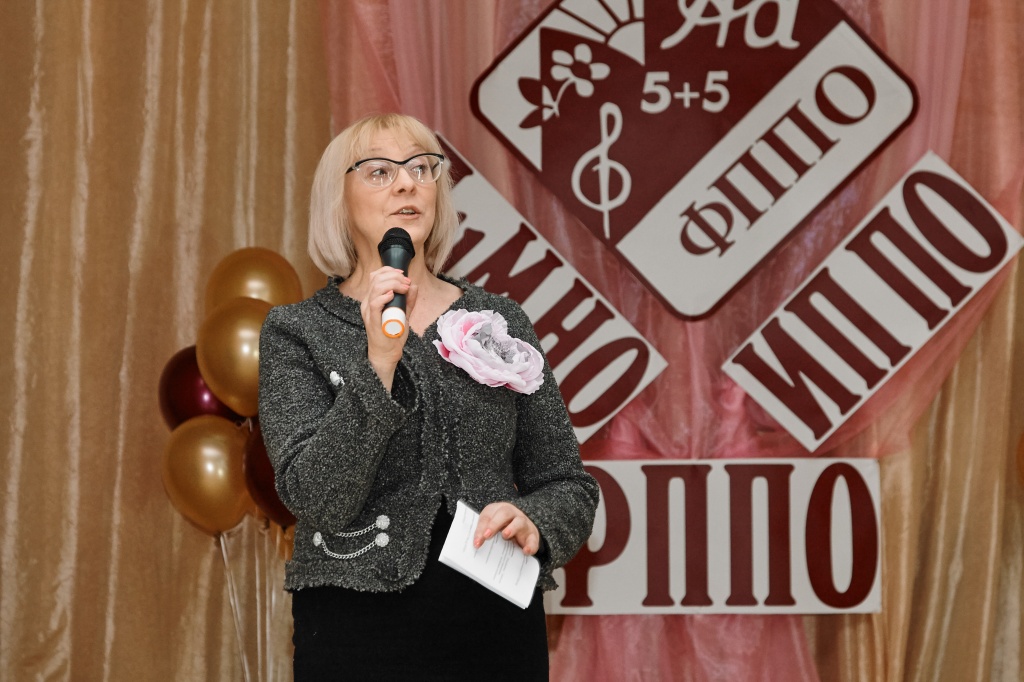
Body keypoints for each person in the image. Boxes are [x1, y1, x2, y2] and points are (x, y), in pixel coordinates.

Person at [258, 112, 600, 680]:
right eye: (379, 171)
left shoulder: (499, 320)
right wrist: (378, 363)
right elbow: (317, 497)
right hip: (356, 630)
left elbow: (568, 483)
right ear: (338, 199)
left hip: (495, 623)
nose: (407, 184)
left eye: (422, 168)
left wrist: (534, 520)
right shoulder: (298, 332)